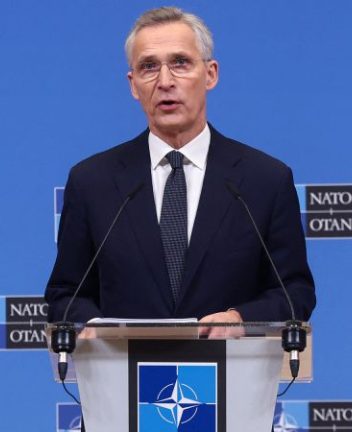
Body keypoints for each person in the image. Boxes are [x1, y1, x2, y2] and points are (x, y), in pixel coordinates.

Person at [44, 7, 315, 332]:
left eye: (180, 63)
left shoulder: (265, 180)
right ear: (133, 85)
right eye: (149, 67)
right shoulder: (92, 182)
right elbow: (65, 295)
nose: (165, 81)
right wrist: (95, 328)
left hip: (228, 362)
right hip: (124, 363)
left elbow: (295, 293)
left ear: (210, 74)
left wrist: (240, 319)